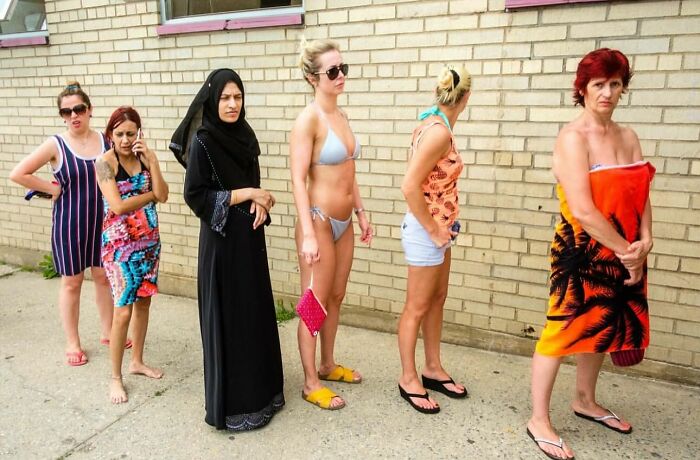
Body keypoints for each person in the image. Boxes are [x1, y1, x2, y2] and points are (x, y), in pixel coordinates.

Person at [527, 48, 654, 460]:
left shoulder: (628, 136)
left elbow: (641, 193)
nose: (607, 92)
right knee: (561, 333)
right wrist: (627, 252)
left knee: (603, 327)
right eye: (599, 84)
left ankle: (584, 399)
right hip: (582, 253)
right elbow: (582, 209)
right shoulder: (572, 138)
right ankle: (538, 419)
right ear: (581, 89)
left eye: (615, 84)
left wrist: (646, 239)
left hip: (627, 250)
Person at [173, 68, 284, 431]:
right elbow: (196, 196)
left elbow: (254, 182)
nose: (233, 104)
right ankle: (237, 407)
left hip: (250, 242)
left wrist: (262, 202)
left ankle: (264, 396)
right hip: (222, 247)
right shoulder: (203, 142)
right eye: (225, 97)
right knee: (232, 321)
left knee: (254, 317)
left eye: (237, 97)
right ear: (213, 99)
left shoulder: (246, 136)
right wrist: (249, 194)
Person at [9, 81, 119, 367]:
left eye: (78, 109)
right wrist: (51, 188)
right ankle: (73, 342)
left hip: (102, 221)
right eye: (66, 111)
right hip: (69, 224)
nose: (73, 115)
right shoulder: (55, 144)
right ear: (61, 115)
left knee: (103, 277)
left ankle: (108, 332)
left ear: (89, 109)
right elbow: (18, 173)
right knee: (71, 282)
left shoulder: (106, 141)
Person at [290, 38, 373, 411]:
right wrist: (308, 233)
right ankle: (310, 383)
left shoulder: (341, 114)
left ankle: (327, 364)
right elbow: (296, 179)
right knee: (315, 302)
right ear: (312, 78)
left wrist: (361, 211)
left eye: (343, 69)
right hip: (319, 222)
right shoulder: (309, 120)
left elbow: (348, 171)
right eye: (332, 71)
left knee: (336, 296)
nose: (341, 76)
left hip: (344, 221)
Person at [397, 66, 471, 414]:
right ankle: (408, 378)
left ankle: (432, 367)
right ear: (466, 97)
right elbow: (409, 186)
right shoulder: (438, 132)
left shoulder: (434, 124)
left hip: (439, 231)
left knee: (437, 299)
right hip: (427, 232)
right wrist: (433, 229)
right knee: (417, 307)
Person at [95, 106, 168, 404]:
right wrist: (151, 195)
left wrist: (153, 163)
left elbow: (164, 193)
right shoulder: (103, 163)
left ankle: (136, 361)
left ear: (139, 133)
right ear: (110, 134)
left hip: (149, 243)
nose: (126, 139)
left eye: (131, 133)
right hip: (119, 248)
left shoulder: (145, 158)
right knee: (122, 310)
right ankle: (115, 378)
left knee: (144, 304)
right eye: (120, 133)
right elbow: (119, 206)